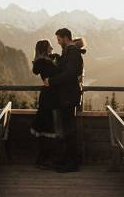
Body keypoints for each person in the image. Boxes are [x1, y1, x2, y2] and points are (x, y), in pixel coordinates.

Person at [44, 28, 84, 173]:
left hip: (69, 96)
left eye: (59, 39)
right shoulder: (69, 51)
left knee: (69, 130)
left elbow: (69, 74)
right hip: (67, 95)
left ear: (66, 38)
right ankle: (69, 158)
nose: (58, 42)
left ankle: (72, 162)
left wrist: (51, 81)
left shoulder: (72, 52)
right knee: (68, 129)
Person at [30, 39, 62, 168]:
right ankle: (44, 160)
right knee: (48, 126)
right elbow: (54, 75)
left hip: (48, 96)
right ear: (45, 48)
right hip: (50, 97)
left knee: (46, 126)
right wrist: (57, 61)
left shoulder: (43, 62)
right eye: (50, 46)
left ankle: (43, 159)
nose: (52, 47)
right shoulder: (45, 63)